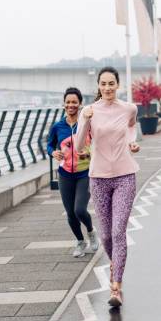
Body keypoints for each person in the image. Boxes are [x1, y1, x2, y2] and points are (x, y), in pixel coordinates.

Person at [76, 66, 141, 308]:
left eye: (111, 83)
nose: (107, 88)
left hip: (125, 175)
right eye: (103, 84)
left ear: (118, 85)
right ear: (98, 86)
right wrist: (85, 121)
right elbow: (80, 145)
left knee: (118, 232)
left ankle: (116, 287)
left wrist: (132, 143)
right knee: (105, 235)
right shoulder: (89, 111)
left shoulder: (129, 108)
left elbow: (132, 127)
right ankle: (116, 263)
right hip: (99, 178)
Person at [47, 87, 99, 258]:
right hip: (65, 175)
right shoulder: (57, 127)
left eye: (74, 102)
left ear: (80, 104)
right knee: (70, 212)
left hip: (84, 173)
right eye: (68, 102)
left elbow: (97, 144)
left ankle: (91, 232)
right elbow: (48, 144)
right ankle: (80, 241)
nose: (71, 105)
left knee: (79, 210)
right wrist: (52, 152)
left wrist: (89, 152)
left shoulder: (86, 124)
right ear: (64, 104)